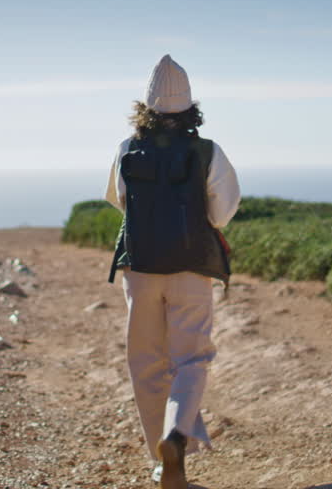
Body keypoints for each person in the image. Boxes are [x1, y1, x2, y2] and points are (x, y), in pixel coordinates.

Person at [104, 55, 241, 489]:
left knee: (146, 362)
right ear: (189, 106)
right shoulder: (209, 151)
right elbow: (222, 213)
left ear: (145, 106)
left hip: (139, 268)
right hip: (191, 269)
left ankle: (161, 463)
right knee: (191, 359)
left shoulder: (127, 149)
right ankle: (176, 436)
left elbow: (119, 201)